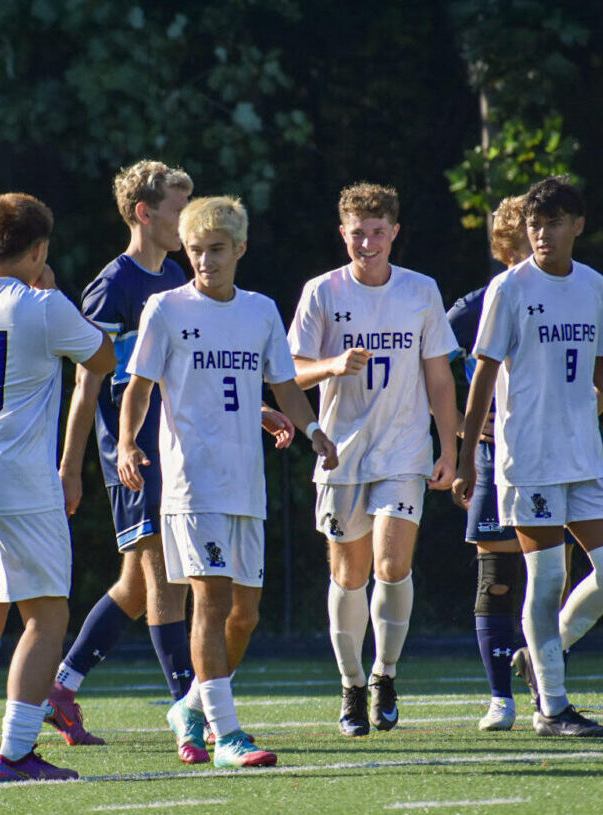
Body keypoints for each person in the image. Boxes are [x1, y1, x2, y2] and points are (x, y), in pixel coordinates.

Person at [453, 175, 603, 738]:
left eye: (553, 223)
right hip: (528, 458)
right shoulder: (509, 288)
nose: (542, 234)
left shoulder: (593, 285)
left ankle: (539, 653)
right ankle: (552, 708)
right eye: (534, 224)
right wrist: (464, 454)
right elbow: (484, 372)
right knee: (548, 576)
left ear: (578, 225)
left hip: (583, 455)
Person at [118, 196, 337, 768]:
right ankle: (229, 735)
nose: (205, 261)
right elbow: (139, 386)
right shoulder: (165, 308)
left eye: (216, 249)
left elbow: (283, 385)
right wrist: (126, 443)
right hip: (193, 484)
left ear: (240, 248)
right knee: (211, 603)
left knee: (246, 615)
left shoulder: (261, 311)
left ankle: (190, 708)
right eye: (195, 250)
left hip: (246, 484)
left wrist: (314, 430)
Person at [0, 193, 115, 781]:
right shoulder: (44, 306)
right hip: (19, 485)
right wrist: (51, 289)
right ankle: (15, 753)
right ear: (39, 249)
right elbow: (103, 357)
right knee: (46, 618)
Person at [289, 182, 460, 736]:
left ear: (394, 233)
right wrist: (333, 365)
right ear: (343, 234)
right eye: (357, 233)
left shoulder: (421, 290)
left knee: (391, 566)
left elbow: (439, 376)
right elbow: (290, 372)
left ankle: (386, 673)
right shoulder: (321, 292)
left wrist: (450, 447)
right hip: (341, 454)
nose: (367, 243)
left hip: (404, 450)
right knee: (349, 573)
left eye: (377, 232)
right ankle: (352, 685)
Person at [45, 160, 197, 746]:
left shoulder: (176, 276)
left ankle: (61, 689)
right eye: (178, 209)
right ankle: (189, 710)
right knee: (166, 578)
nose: (187, 220)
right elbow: (86, 385)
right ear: (144, 213)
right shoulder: (113, 286)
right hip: (134, 456)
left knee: (136, 583)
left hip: (174, 450)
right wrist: (71, 467)